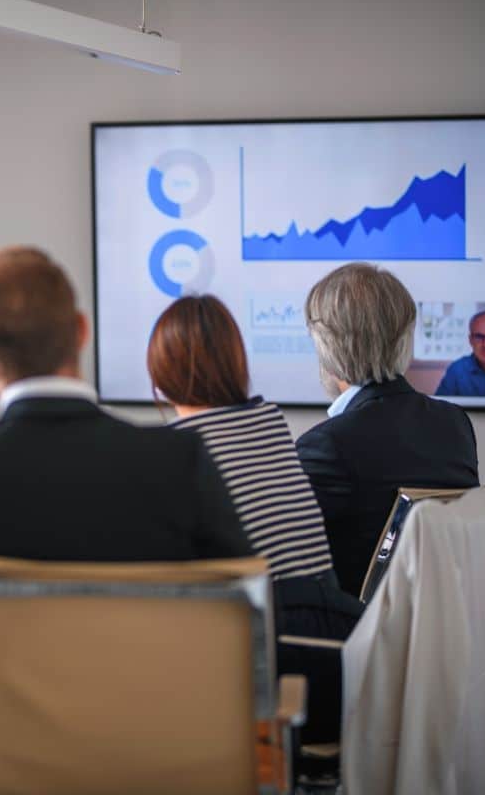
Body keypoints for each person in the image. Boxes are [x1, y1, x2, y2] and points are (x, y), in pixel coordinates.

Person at [0, 246, 250, 630]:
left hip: (0, 692)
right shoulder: (179, 460)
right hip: (146, 689)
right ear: (82, 331)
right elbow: (240, 611)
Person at [146, 294, 363, 741]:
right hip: (341, 645)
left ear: (160, 378)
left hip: (267, 656)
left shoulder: (175, 450)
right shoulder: (270, 422)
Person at [296, 263, 480, 598]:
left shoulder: (327, 446)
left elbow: (282, 560)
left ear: (326, 346)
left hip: (354, 642)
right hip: (446, 634)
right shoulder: (454, 425)